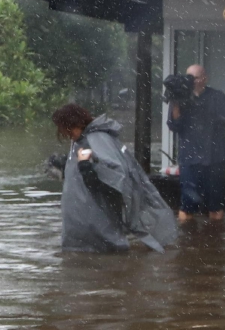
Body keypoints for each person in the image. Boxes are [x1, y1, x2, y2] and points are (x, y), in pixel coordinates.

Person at [49, 102, 177, 253]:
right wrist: (66, 165)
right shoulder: (83, 140)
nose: (66, 134)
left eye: (67, 129)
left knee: (100, 257)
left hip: (97, 225)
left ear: (75, 123)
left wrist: (85, 168)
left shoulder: (96, 139)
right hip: (84, 228)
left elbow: (114, 181)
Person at [166, 63, 225, 223]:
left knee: (215, 205)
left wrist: (198, 107)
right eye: (188, 77)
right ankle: (187, 244)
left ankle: (215, 240)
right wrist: (176, 103)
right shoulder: (180, 98)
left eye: (195, 77)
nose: (192, 81)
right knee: (187, 205)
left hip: (214, 158)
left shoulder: (217, 97)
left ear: (204, 78)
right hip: (190, 159)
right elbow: (174, 125)